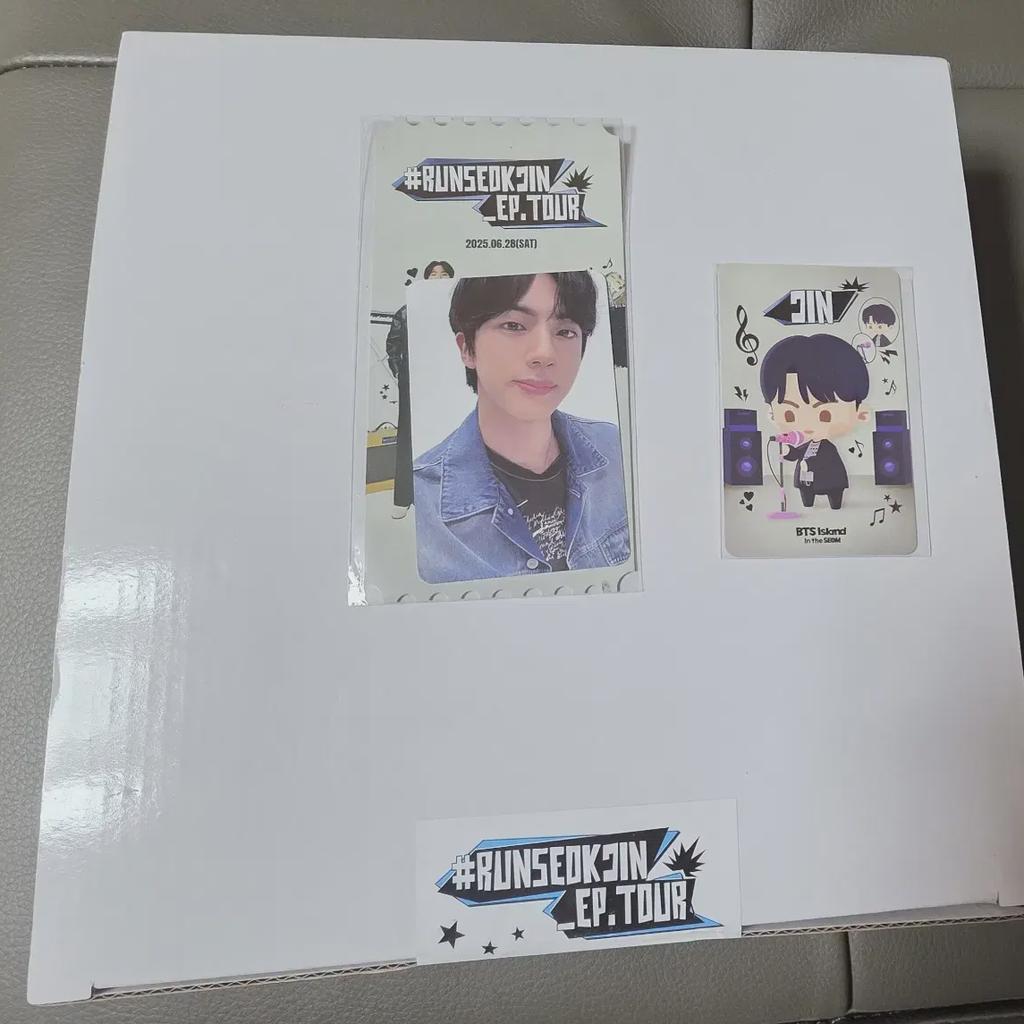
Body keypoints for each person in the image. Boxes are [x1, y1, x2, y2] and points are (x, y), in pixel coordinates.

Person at [412, 271, 630, 583]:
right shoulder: (424, 501)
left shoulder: (618, 450)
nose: (544, 354)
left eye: (565, 331)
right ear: (467, 349)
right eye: (514, 326)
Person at [760, 333, 870, 510]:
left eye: (825, 415)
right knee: (807, 495)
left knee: (833, 493)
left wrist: (810, 463)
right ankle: (808, 502)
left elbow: (828, 462)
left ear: (860, 412)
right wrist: (788, 452)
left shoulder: (828, 448)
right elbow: (796, 454)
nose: (807, 424)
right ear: (772, 412)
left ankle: (835, 502)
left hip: (829, 480)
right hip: (806, 481)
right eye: (790, 415)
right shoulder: (804, 445)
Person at [385, 260, 455, 518]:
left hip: (445, 386)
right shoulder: (406, 311)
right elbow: (393, 346)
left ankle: (441, 499)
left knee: (445, 439)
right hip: (414, 385)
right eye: (433, 274)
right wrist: (401, 374)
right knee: (408, 439)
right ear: (425, 279)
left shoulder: (457, 312)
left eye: (444, 274)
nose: (438, 278)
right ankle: (403, 498)